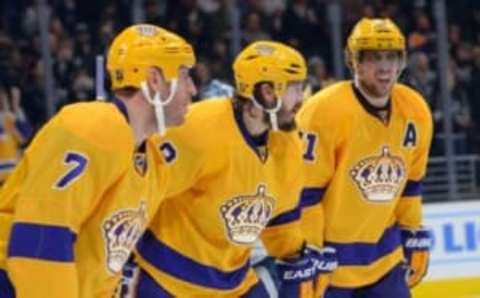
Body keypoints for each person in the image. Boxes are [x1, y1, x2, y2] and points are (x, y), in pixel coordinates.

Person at [120, 40, 337, 297]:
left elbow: (281, 224)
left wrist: (300, 254)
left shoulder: (289, 144)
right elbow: (136, 192)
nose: (301, 99)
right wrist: (122, 259)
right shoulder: (195, 130)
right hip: (168, 282)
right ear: (266, 93)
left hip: (233, 282)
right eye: (294, 88)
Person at [0, 24, 196, 298]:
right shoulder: (91, 127)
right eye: (185, 75)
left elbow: (101, 265)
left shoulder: (154, 163)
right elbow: (41, 236)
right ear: (154, 79)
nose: (193, 89)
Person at [297, 17, 433, 298]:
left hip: (386, 257)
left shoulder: (416, 110)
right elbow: (305, 195)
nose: (385, 68)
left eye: (391, 57)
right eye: (373, 58)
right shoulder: (322, 112)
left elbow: (411, 184)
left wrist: (412, 232)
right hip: (331, 262)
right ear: (354, 61)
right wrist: (310, 254)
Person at [0, 86, 32, 187]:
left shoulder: (9, 118)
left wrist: (16, 107)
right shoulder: (7, 118)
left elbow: (25, 136)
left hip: (13, 174)